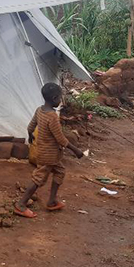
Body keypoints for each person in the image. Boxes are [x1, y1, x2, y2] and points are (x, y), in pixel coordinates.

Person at [14, 82, 84, 218]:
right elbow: (61, 139)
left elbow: (30, 127)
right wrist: (76, 150)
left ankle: (52, 201)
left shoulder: (39, 110)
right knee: (38, 179)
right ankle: (20, 205)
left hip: (45, 152)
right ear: (54, 98)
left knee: (60, 171)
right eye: (60, 98)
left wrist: (31, 137)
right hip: (49, 155)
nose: (60, 101)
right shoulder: (52, 117)